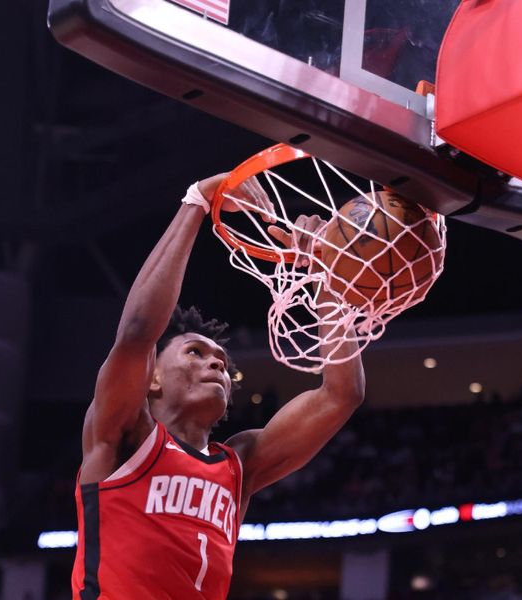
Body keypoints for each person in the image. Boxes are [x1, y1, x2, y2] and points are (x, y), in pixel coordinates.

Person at [72, 173, 366, 599]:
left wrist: (325, 279)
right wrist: (198, 200)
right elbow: (138, 330)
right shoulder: (125, 436)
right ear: (151, 377)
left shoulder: (239, 464)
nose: (215, 362)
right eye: (195, 352)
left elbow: (343, 394)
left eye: (223, 363)